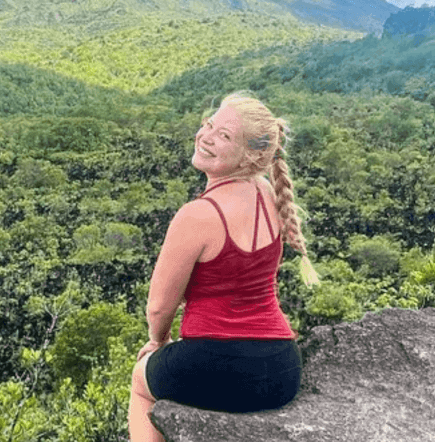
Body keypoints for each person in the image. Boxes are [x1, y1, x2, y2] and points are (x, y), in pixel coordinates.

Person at [127, 92, 319, 441]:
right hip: (281, 369)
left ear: (251, 154)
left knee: (141, 383)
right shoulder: (268, 193)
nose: (206, 136)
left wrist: (159, 342)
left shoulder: (197, 216)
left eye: (224, 135)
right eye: (209, 125)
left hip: (218, 364)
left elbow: (158, 307)